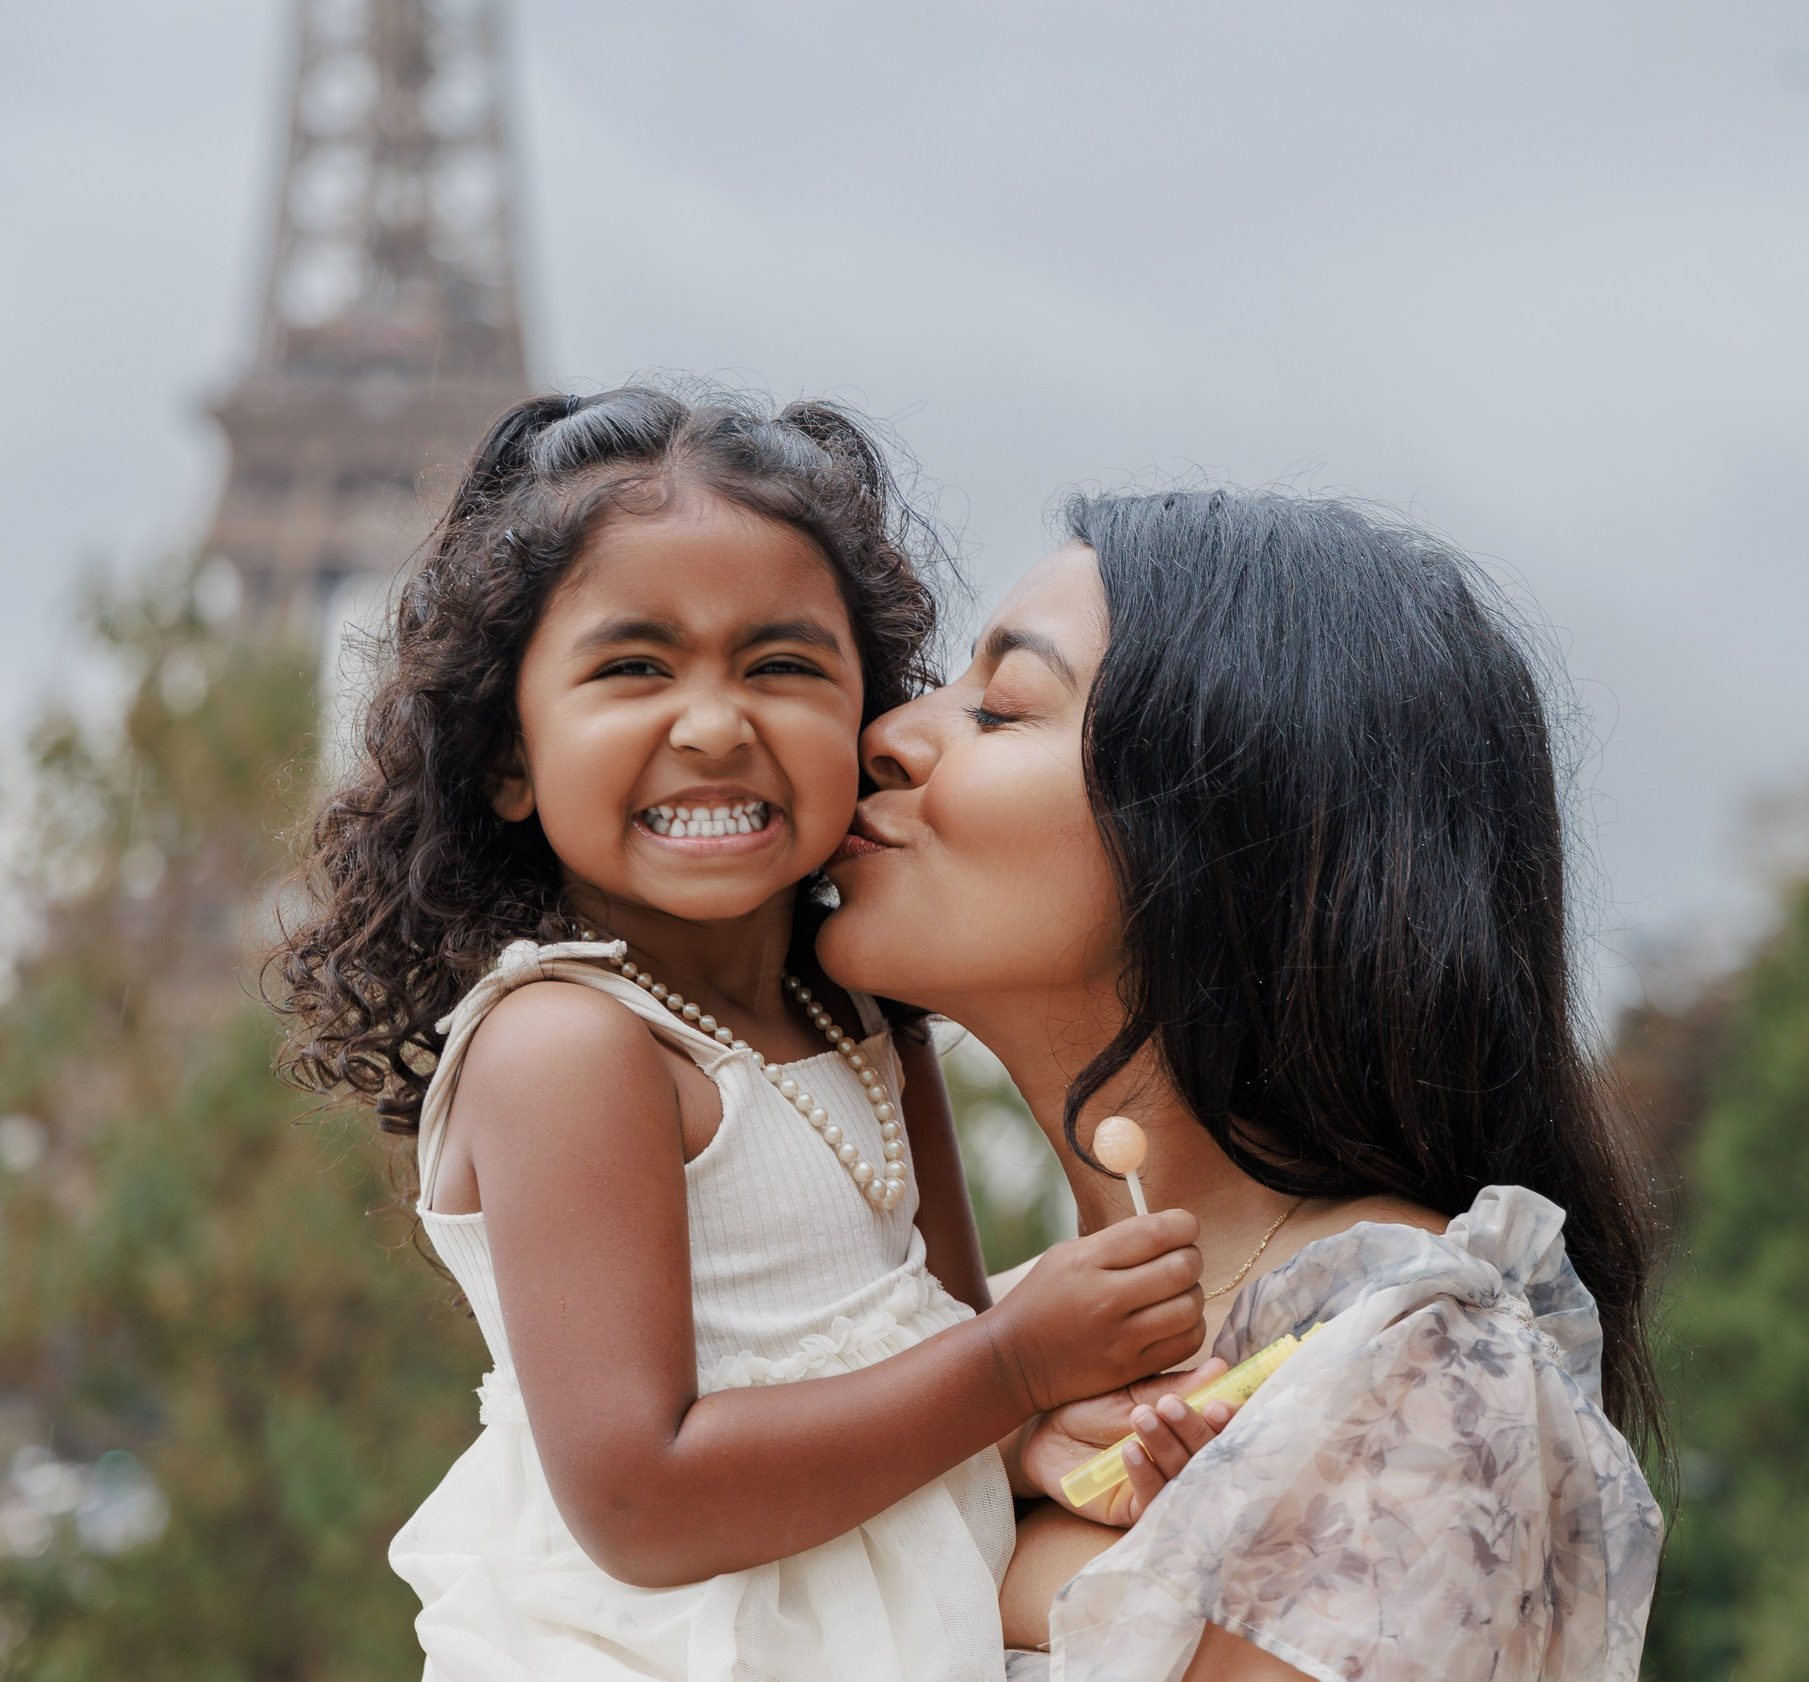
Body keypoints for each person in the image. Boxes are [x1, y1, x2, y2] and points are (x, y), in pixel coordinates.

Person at [272, 389, 1230, 1681]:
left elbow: (921, 1357)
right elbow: (641, 1500)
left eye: (782, 665)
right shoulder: (573, 1044)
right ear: (509, 754)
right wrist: (1012, 1365)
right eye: (633, 667)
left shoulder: (859, 1023)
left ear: (865, 721)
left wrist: (1036, 1433)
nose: (716, 722)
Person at [818, 490, 1667, 1681]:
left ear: (1237, 825)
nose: (891, 731)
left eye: (1002, 709)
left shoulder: (1415, 1368)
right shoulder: (959, 1349)